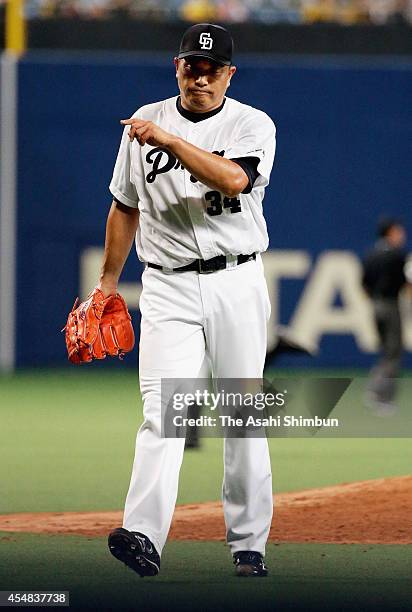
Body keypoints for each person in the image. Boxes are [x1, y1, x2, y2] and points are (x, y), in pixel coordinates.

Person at [101, 23, 276, 577]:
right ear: (176, 66)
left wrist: (173, 141)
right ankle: (143, 536)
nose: (199, 77)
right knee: (163, 416)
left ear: (229, 74)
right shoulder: (144, 119)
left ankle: (249, 544)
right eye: (190, 66)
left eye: (211, 69)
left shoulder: (252, 123)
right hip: (168, 284)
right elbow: (124, 205)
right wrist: (107, 283)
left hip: (236, 281)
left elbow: (233, 181)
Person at [362, 217, 410, 413]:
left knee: (386, 351)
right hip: (391, 305)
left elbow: (363, 282)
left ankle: (377, 390)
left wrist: (374, 299)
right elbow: (407, 283)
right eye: (398, 231)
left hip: (376, 305)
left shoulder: (371, 255)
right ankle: (380, 395)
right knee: (393, 353)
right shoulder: (398, 256)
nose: (402, 235)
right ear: (390, 233)